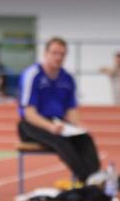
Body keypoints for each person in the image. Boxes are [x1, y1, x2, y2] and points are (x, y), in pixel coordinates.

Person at [17, 37, 101, 185]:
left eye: (62, 54)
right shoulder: (33, 75)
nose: (58, 57)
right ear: (46, 53)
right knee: (60, 140)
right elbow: (29, 113)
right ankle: (86, 178)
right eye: (54, 53)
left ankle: (96, 175)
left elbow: (71, 109)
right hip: (32, 124)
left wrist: (78, 126)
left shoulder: (67, 79)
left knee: (84, 138)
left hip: (58, 123)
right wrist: (50, 127)